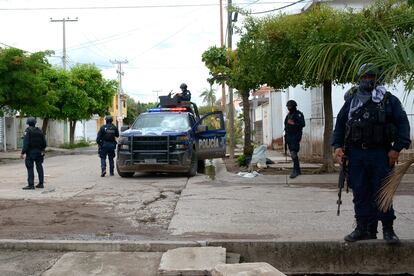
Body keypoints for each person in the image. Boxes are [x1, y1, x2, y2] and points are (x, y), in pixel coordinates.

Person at [331, 63, 411, 243]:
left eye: (371, 77)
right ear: (360, 79)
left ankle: (388, 230)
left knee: (383, 192)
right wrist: (337, 146)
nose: (368, 80)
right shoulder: (352, 100)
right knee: (360, 192)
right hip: (356, 154)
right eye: (364, 77)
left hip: (381, 154)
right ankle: (363, 228)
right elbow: (340, 125)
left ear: (377, 78)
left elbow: (403, 125)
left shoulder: (389, 100)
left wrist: (396, 149)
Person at [20, 117, 47, 190]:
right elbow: (44, 142)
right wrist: (42, 150)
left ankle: (31, 185)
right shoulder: (40, 131)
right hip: (39, 152)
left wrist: (22, 153)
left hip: (30, 153)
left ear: (28, 123)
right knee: (39, 167)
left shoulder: (27, 131)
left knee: (30, 168)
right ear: (35, 123)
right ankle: (41, 184)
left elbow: (26, 143)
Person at [284, 100, 305, 179]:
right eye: (288, 106)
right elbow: (286, 124)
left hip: (295, 135)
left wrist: (293, 124)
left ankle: (295, 170)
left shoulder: (298, 114)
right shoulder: (289, 115)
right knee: (292, 152)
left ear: (294, 106)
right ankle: (298, 170)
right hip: (289, 136)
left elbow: (303, 124)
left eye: (290, 106)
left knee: (293, 152)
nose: (289, 108)